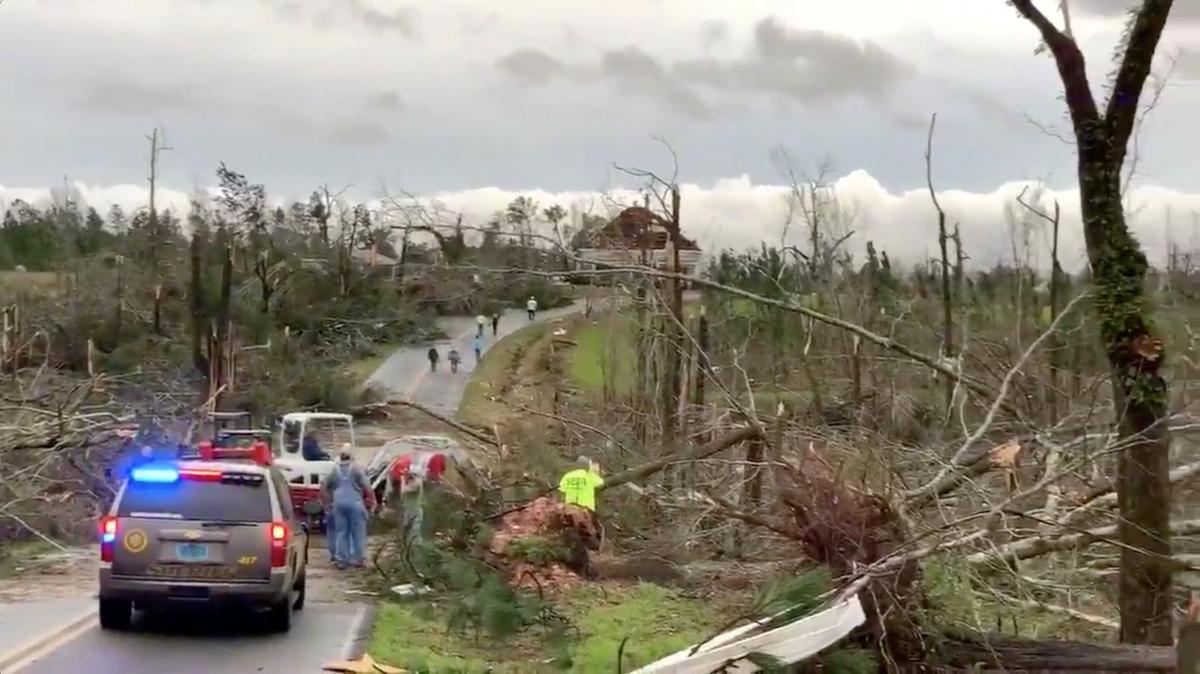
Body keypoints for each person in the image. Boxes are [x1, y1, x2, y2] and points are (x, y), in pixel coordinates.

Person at [320, 446, 375, 569]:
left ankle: (342, 560)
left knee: (341, 532)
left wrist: (326, 502)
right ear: (351, 457)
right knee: (358, 532)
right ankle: (358, 559)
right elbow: (367, 487)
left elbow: (323, 487)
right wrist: (372, 501)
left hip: (338, 503)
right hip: (354, 502)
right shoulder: (356, 469)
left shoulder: (334, 470)